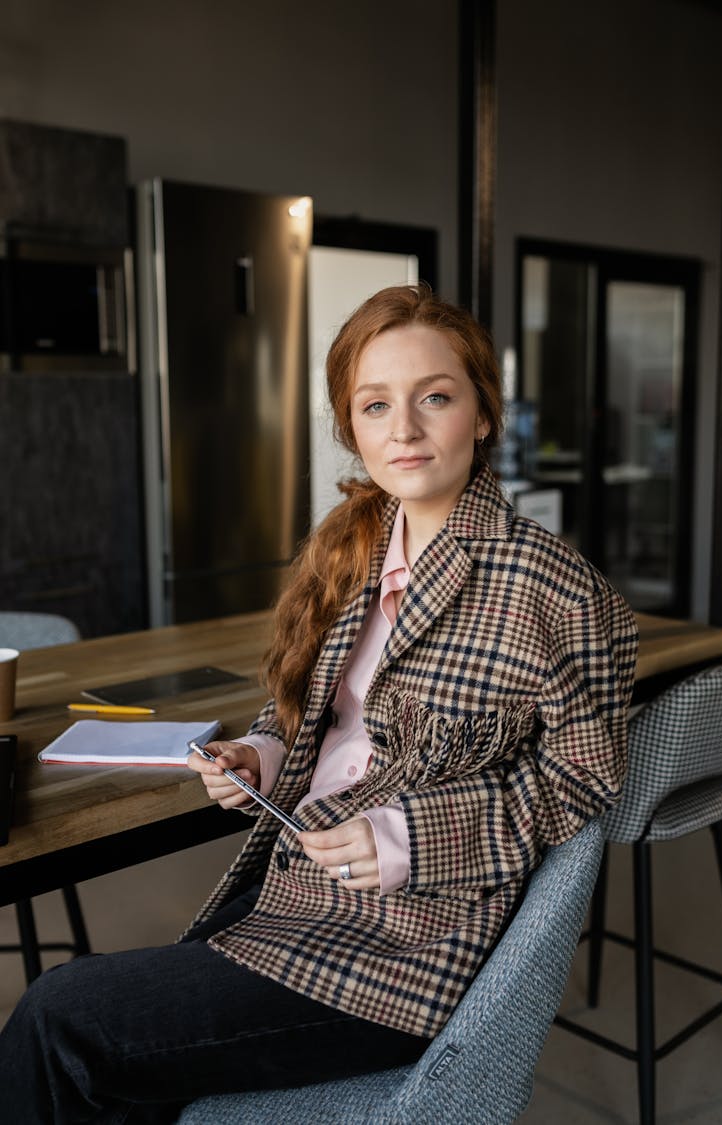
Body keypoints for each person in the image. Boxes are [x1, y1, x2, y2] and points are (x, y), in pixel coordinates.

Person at [0, 284, 639, 1123]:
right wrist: (260, 754)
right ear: (353, 426)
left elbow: (587, 784)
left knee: (59, 1016)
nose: (404, 430)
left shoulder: (555, 589)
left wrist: (410, 837)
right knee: (112, 1075)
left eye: (435, 398)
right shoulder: (355, 551)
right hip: (290, 877)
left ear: (483, 414)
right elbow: (313, 712)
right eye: (377, 406)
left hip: (398, 941)